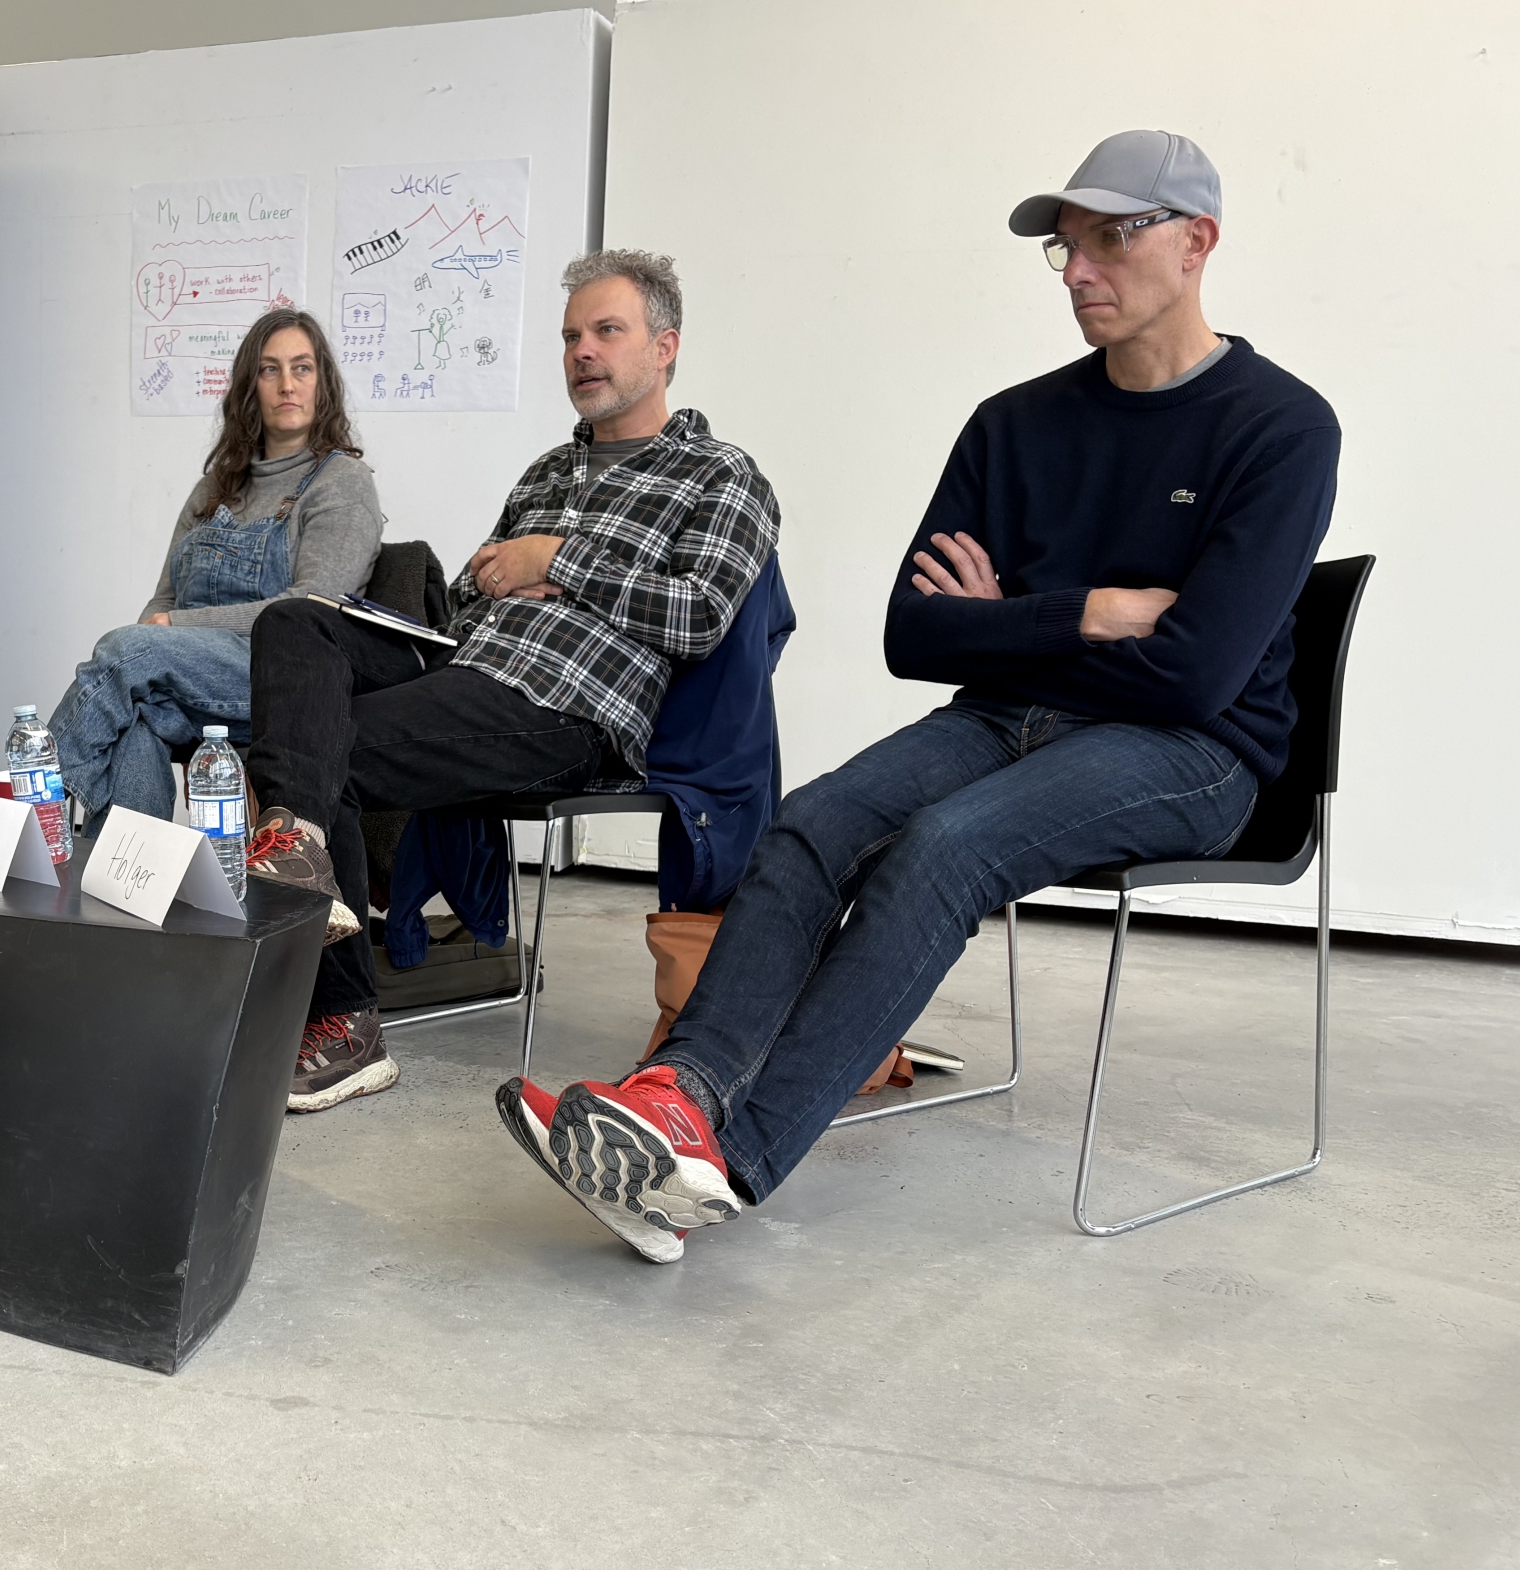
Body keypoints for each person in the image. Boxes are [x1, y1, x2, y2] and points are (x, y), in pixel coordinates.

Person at [500, 131, 1342, 1263]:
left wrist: (1007, 621)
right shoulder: (1016, 423)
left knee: (940, 848)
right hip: (1004, 720)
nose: (1079, 269)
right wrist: (1091, 611)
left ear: (1197, 243)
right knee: (814, 825)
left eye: (1109, 240)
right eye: (1065, 247)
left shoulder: (1281, 428)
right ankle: (677, 1100)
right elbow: (914, 634)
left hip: (1194, 750)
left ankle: (725, 1165)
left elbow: (1194, 672)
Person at [242, 251, 781, 1113]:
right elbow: (467, 594)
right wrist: (506, 574)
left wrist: (558, 562)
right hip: (467, 662)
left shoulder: (721, 475)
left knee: (314, 751)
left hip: (565, 703)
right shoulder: (547, 471)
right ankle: (300, 855)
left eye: (608, 331)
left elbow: (701, 615)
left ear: (666, 346)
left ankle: (341, 1024)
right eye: (572, 335)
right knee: (294, 621)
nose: (583, 352)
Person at [48, 309, 383, 825]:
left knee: (127, 652)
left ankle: (36, 799)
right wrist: (164, 632)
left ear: (324, 385)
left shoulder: (342, 482)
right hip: (191, 676)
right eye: (270, 370)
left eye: (302, 368)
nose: (287, 384)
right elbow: (164, 598)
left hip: (278, 679)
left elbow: (308, 610)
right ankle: (126, 880)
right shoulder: (214, 488)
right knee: (135, 718)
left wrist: (172, 631)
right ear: (250, 387)